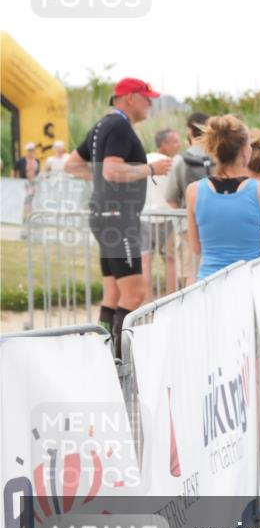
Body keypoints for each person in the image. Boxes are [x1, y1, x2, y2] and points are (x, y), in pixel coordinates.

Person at [63, 78, 173, 349]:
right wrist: (150, 169)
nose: (151, 103)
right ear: (129, 98)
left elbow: (72, 165)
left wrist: (101, 178)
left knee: (113, 294)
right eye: (147, 97)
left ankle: (100, 353)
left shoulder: (103, 124)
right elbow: (112, 170)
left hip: (105, 215)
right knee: (135, 295)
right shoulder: (120, 126)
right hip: (118, 218)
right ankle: (119, 363)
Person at [185, 116, 260, 280]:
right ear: (245, 151)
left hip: (208, 283)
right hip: (248, 282)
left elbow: (196, 247)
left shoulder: (193, 191)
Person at [141, 129, 181, 300]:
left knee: (145, 262)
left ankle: (147, 303)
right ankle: (170, 300)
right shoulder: (173, 163)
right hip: (167, 216)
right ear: (164, 144)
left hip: (144, 215)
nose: (179, 145)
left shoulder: (143, 161)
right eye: (175, 141)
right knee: (170, 261)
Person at [164, 112, 212, 209]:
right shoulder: (222, 158)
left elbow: (170, 198)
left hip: (187, 220)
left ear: (189, 131)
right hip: (217, 220)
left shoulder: (180, 161)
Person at [13, 142, 41, 225]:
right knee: (24, 201)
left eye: (32, 150)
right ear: (26, 151)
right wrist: (14, 180)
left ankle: (29, 217)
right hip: (23, 183)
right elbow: (14, 170)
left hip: (33, 183)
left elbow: (38, 172)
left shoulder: (36, 161)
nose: (31, 152)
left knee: (30, 201)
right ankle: (23, 217)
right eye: (29, 150)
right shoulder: (21, 160)